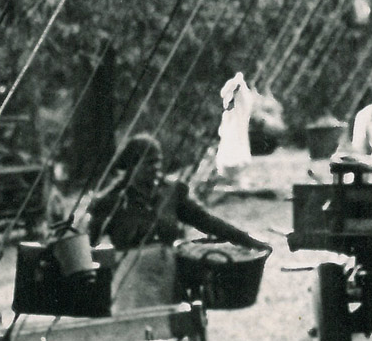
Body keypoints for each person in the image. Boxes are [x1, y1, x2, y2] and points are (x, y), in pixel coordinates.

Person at [78, 133, 269, 310]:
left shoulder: (172, 193)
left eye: (159, 163)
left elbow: (208, 222)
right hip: (132, 286)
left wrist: (248, 241)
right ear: (132, 165)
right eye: (150, 163)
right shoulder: (112, 201)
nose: (156, 169)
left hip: (170, 278)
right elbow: (86, 245)